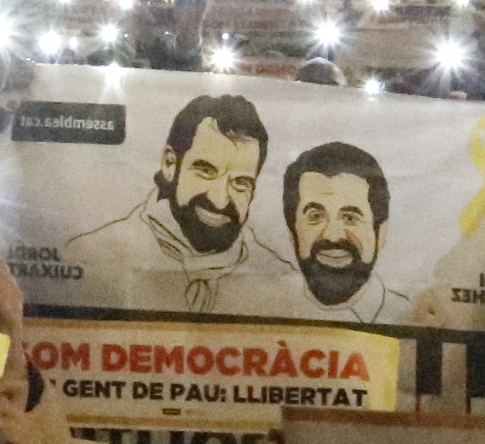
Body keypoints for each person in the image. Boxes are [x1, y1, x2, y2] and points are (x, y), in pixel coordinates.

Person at [62, 95, 300, 314]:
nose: (219, 199)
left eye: (240, 183)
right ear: (169, 164)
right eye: (206, 171)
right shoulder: (87, 256)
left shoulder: (283, 279)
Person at [275, 145, 412, 324]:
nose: (332, 235)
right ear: (292, 232)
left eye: (350, 217)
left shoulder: (411, 316)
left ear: (381, 232)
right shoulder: (263, 307)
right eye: (315, 216)